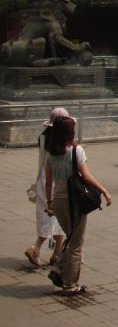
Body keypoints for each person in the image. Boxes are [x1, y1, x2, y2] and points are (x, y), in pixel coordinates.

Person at [45, 116, 111, 295]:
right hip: (74, 202)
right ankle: (70, 285)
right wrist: (104, 190)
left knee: (71, 238)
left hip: (58, 202)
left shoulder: (50, 154)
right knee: (76, 245)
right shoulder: (76, 151)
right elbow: (87, 177)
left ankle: (58, 270)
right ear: (70, 133)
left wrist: (49, 202)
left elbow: (48, 183)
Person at [24, 107, 67, 268]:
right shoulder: (62, 143)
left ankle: (37, 249)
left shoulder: (43, 137)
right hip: (57, 183)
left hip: (42, 181)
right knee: (60, 219)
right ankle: (55, 255)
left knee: (45, 218)